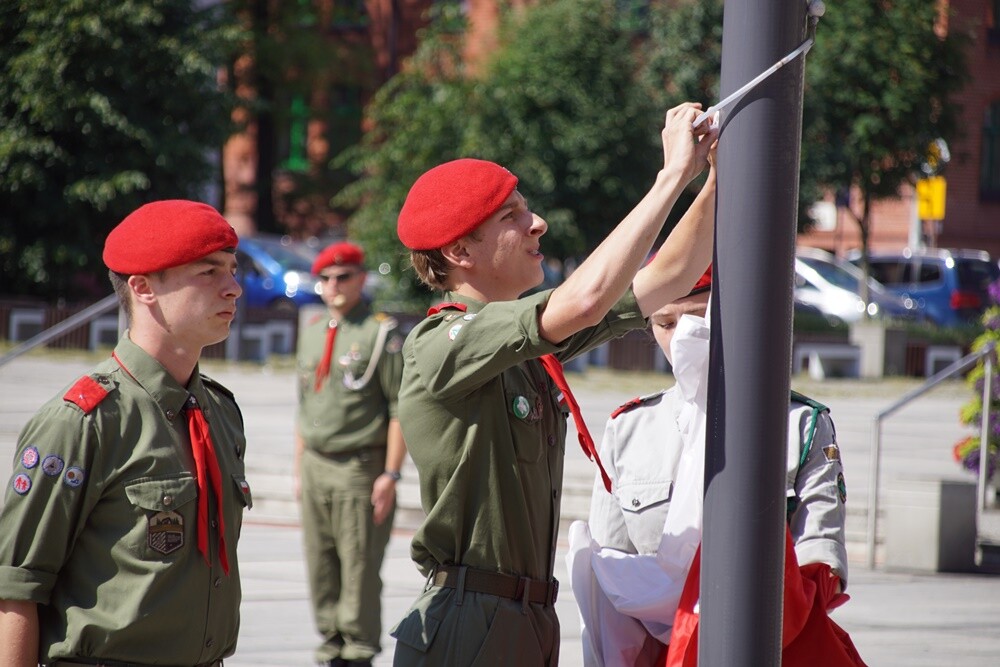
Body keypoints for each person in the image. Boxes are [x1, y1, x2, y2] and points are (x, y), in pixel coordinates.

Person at [388, 102, 719, 666]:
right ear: (460, 252)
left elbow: (670, 279)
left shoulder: (522, 346)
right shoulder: (441, 341)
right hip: (470, 618)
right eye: (511, 216)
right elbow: (585, 299)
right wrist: (669, 177)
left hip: (531, 618)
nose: (536, 223)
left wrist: (712, 176)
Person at [0, 200, 251, 667]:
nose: (234, 288)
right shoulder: (82, 421)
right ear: (143, 288)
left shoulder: (219, 412)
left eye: (233, 270)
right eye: (209, 272)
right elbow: (16, 585)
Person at [569, 267, 856, 666]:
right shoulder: (629, 427)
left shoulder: (798, 424)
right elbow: (609, 577)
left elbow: (820, 565)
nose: (683, 335)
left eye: (699, 317)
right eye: (666, 322)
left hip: (773, 649)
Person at [294, 241, 406, 667]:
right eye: (325, 278)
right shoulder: (311, 331)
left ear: (361, 279)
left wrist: (390, 475)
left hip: (360, 467)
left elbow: (399, 408)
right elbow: (304, 408)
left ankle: (357, 653)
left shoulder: (381, 333)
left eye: (343, 277)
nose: (333, 285)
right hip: (316, 464)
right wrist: (298, 468)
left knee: (358, 568)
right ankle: (330, 647)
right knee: (320, 565)